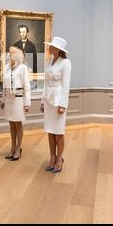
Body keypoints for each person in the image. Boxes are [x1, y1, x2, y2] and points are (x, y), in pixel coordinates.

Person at [41, 37, 71, 174]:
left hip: (58, 100)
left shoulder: (66, 63)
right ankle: (52, 157)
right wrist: (42, 101)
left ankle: (59, 158)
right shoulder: (48, 62)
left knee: (58, 132)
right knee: (50, 130)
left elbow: (66, 85)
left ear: (58, 49)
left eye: (51, 46)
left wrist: (63, 104)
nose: (49, 47)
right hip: (48, 100)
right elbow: (46, 83)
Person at [1, 47, 31, 161]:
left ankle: (18, 148)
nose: (9, 55)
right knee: (11, 124)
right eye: (9, 53)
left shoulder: (23, 68)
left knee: (18, 124)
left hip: (18, 100)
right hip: (9, 100)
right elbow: (4, 86)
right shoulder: (7, 67)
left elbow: (27, 86)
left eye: (11, 53)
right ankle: (12, 147)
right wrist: (2, 100)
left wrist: (27, 103)